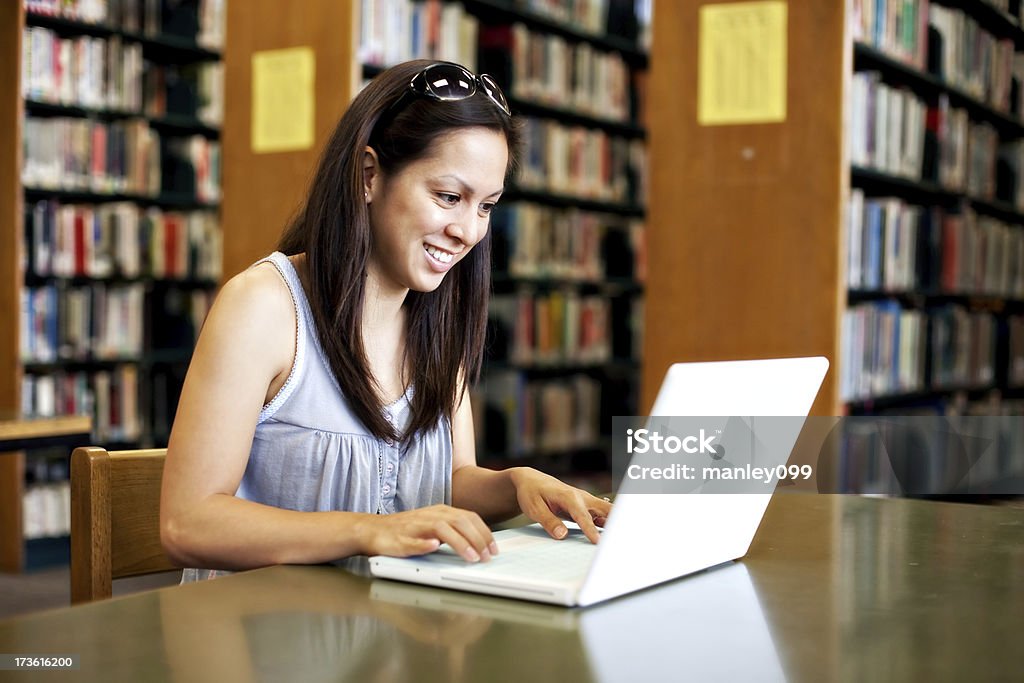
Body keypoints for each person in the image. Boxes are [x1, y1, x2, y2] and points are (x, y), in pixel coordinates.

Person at [160, 60, 613, 579]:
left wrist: (516, 484)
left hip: (390, 634)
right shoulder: (263, 306)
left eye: (486, 206)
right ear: (369, 175)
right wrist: (367, 531)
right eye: (449, 197)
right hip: (265, 642)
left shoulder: (439, 320)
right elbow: (186, 524)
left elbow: (449, 481)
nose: (467, 232)